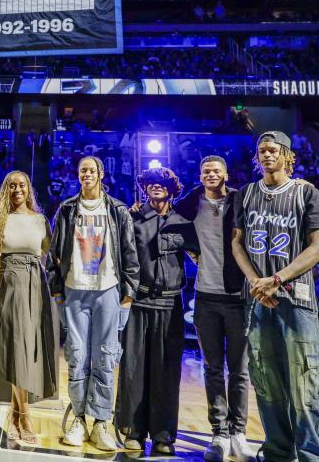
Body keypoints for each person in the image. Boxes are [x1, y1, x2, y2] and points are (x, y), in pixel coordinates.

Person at [232, 131, 319, 462]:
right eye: (261, 150)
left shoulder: (307, 193)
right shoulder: (247, 194)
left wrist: (277, 278)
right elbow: (236, 243)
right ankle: (277, 451)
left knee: (305, 385)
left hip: (298, 301)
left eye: (272, 150)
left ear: (287, 155)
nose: (266, 155)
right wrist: (256, 282)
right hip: (259, 301)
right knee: (266, 382)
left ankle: (311, 457)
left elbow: (318, 248)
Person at [49, 155, 139, 451]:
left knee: (105, 357)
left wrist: (129, 290)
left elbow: (129, 250)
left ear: (101, 174)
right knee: (76, 357)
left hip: (108, 291)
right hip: (74, 290)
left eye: (91, 169)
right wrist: (57, 290)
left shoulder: (117, 209)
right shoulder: (66, 210)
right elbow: (52, 255)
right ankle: (77, 419)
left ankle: (101, 422)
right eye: (82, 170)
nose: (86, 173)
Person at [175, 156, 254, 462]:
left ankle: (239, 432)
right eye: (206, 170)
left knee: (239, 371)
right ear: (200, 175)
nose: (210, 174)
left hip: (237, 296)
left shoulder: (239, 199)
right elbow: (167, 218)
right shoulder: (191, 201)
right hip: (205, 297)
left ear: (226, 175)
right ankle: (218, 433)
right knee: (211, 369)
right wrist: (189, 249)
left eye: (216, 171)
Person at [117, 167, 194, 455]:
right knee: (133, 370)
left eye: (161, 183)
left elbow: (199, 252)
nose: (155, 187)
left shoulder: (184, 220)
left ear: (171, 189)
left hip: (170, 302)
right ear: (144, 188)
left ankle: (163, 435)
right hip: (138, 302)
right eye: (150, 184)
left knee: (166, 371)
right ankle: (133, 431)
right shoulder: (133, 217)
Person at [0, 171, 58, 445]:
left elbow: (48, 253)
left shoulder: (40, 220)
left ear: (29, 189)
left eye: (22, 185)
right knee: (17, 347)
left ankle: (17, 414)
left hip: (35, 283)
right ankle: (23, 414)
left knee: (28, 348)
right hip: (7, 282)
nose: (17, 189)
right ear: (6, 189)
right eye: (12, 185)